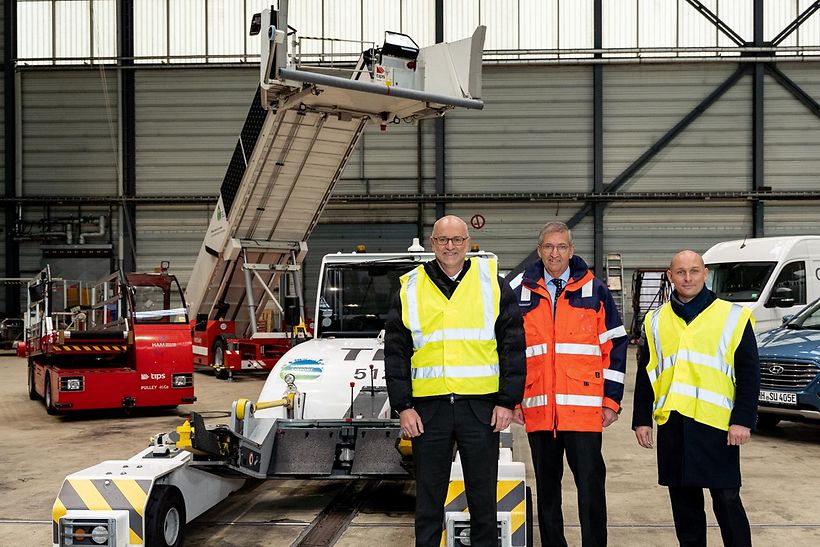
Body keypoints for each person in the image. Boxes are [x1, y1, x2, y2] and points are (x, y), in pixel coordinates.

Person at [384, 215, 526, 547]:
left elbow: (513, 346)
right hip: (428, 411)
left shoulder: (491, 282)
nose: (451, 247)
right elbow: (395, 352)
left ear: (468, 243)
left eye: (457, 240)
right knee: (428, 502)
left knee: (483, 502)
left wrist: (507, 401)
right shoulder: (410, 286)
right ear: (432, 243)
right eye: (443, 240)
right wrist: (403, 407)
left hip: (480, 409)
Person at [512, 220, 628, 547]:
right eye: (548, 246)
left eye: (561, 246)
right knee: (547, 492)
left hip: (584, 413)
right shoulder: (520, 291)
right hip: (540, 412)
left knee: (591, 490)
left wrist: (611, 401)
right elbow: (511, 351)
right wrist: (515, 400)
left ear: (571, 250)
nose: (555, 253)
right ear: (539, 250)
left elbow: (615, 346)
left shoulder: (595, 290)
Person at [633, 250, 759, 547]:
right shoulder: (655, 320)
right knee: (684, 505)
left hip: (717, 425)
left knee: (727, 499)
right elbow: (645, 373)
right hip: (674, 425)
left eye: (694, 271)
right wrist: (642, 419)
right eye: (680, 272)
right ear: (670, 275)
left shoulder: (733, 316)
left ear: (705, 273)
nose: (687, 278)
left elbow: (749, 374)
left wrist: (742, 420)